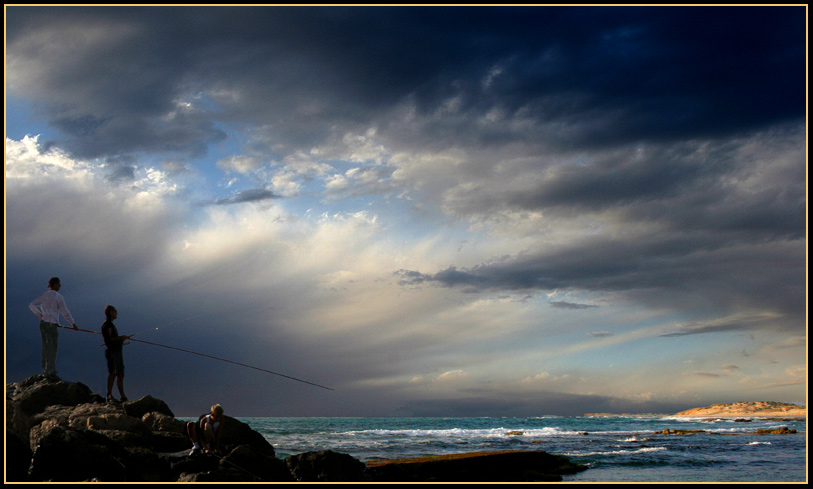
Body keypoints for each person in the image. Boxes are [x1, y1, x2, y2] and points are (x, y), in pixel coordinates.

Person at [29, 277, 78, 379]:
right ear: (55, 284)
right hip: (52, 325)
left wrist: (40, 315)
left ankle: (45, 371)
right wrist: (72, 323)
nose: (60, 286)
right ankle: (50, 371)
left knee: (46, 346)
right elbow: (65, 312)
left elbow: (32, 305)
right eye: (59, 284)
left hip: (43, 324)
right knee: (53, 348)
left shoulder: (44, 296)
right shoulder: (58, 297)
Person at [101, 305, 133, 403]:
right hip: (113, 352)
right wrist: (122, 337)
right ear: (111, 312)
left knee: (120, 374)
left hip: (117, 352)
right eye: (115, 311)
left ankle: (122, 397)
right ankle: (109, 395)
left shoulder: (110, 325)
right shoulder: (108, 325)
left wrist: (121, 339)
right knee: (113, 373)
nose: (117, 313)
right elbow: (111, 339)